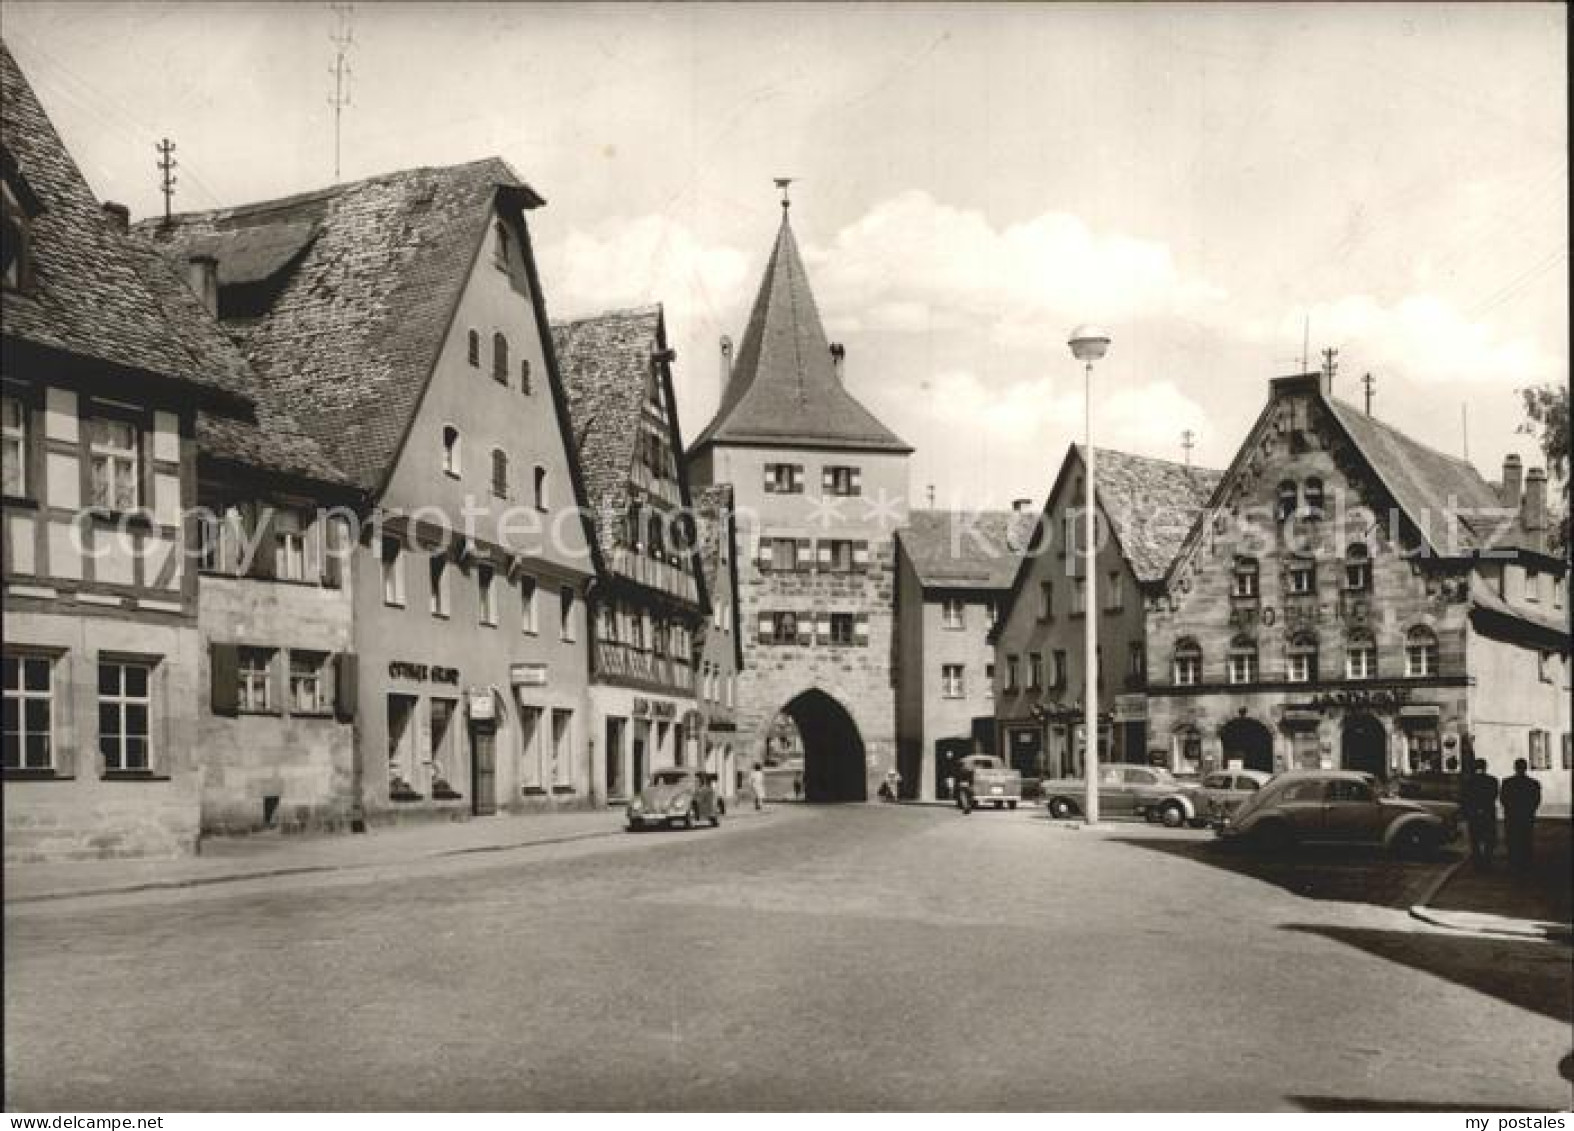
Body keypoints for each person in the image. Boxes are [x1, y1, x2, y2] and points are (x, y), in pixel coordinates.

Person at [1499, 757, 1543, 873]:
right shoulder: (1533, 783)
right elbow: (1536, 800)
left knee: (1512, 839)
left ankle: (1514, 862)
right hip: (1526, 815)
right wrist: (1530, 810)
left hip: (1512, 815)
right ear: (1525, 768)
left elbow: (1503, 799)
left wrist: (1509, 810)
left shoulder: (1507, 782)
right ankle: (1526, 862)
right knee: (1526, 838)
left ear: (1515, 768)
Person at [1461, 757, 1500, 866]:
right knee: (1489, 838)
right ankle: (1487, 860)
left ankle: (1477, 861)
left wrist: (1470, 811)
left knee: (1475, 839)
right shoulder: (1492, 780)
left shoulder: (1468, 782)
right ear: (1485, 767)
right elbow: (1494, 795)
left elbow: (1465, 798)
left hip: (1473, 813)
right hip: (1488, 811)